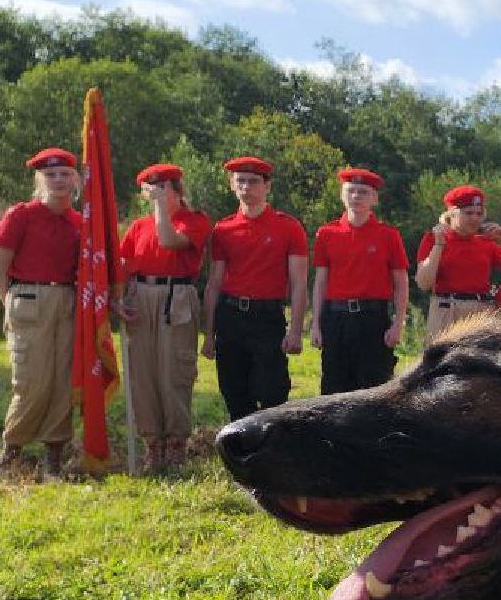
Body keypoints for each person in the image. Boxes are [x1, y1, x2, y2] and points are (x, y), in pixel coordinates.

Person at [0, 147, 84, 476]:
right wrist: (10, 309)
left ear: (76, 180)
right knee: (31, 381)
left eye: (65, 174)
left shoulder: (79, 222)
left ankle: (53, 458)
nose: (58, 180)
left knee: (61, 382)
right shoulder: (21, 214)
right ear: (39, 180)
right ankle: (11, 449)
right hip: (28, 298)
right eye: (50, 175)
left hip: (66, 301)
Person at [113, 163, 213, 473]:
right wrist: (117, 300)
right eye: (151, 189)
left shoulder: (194, 221)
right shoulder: (139, 227)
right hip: (140, 296)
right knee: (143, 374)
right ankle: (152, 446)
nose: (158, 193)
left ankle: (175, 446)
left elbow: (170, 241)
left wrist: (160, 209)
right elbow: (124, 265)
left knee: (174, 371)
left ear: (178, 189)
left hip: (176, 297)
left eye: (164, 187)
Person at [202, 156, 309, 421]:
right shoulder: (223, 229)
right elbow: (214, 284)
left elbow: (299, 283)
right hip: (231, 317)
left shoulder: (289, 227)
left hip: (267, 318)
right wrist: (208, 334)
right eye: (241, 181)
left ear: (267, 187)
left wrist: (295, 331)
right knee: (233, 390)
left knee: (273, 391)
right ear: (232, 185)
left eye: (253, 181)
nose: (247, 187)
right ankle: (242, 454)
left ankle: (271, 453)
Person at [310, 168, 409, 395]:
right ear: (342, 195)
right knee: (334, 387)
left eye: (363, 192)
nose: (356, 196)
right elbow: (320, 282)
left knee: (375, 387)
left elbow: (401, 282)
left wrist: (398, 323)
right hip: (336, 319)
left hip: (372, 320)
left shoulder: (388, 235)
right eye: (351, 191)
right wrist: (316, 323)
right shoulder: (327, 233)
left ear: (374, 198)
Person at [415, 184, 501, 339]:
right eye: (468, 213)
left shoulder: (485, 243)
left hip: (480, 312)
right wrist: (439, 245)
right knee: (444, 362)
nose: (475, 218)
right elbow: (423, 283)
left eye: (479, 214)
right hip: (447, 309)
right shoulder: (433, 239)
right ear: (452, 214)